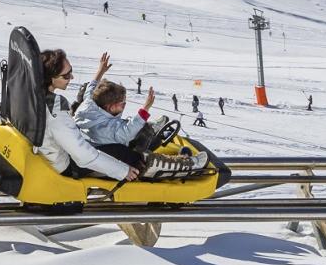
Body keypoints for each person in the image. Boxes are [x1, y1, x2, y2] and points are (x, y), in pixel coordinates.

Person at [75, 54, 207, 179]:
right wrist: (145, 109)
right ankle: (186, 165)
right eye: (122, 103)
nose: (125, 104)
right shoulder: (107, 127)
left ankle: (150, 130)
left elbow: (91, 87)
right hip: (107, 162)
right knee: (142, 159)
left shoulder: (89, 104)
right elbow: (127, 132)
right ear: (111, 107)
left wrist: (100, 71)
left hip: (96, 150)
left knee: (134, 141)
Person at [39, 49, 138, 181]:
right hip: (66, 165)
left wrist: (100, 71)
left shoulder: (36, 95)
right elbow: (83, 155)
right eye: (66, 76)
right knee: (122, 152)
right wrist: (123, 171)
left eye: (71, 71)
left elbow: (89, 95)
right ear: (51, 78)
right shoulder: (55, 109)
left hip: (54, 152)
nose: (72, 77)